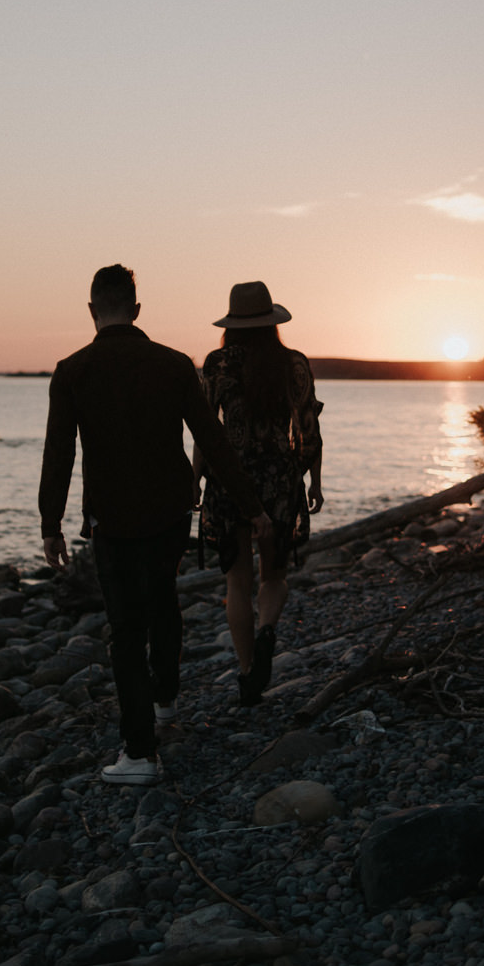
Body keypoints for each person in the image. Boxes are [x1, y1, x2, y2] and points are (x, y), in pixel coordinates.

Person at [39, 264, 272, 786]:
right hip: (169, 511)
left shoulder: (72, 370)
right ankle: (164, 702)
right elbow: (212, 442)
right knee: (163, 601)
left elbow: (59, 452)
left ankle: (140, 752)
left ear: (93, 310)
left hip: (112, 517)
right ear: (137, 310)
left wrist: (49, 523)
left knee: (125, 629)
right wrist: (251, 505)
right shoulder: (173, 365)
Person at [194, 281, 323, 706]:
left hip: (230, 481)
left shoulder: (216, 365)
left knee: (237, 580)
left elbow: (205, 432)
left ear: (232, 324)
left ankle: (249, 674)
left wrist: (195, 478)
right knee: (274, 575)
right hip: (279, 479)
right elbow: (308, 429)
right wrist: (312, 480)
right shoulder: (294, 364)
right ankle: (268, 630)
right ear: (271, 322)